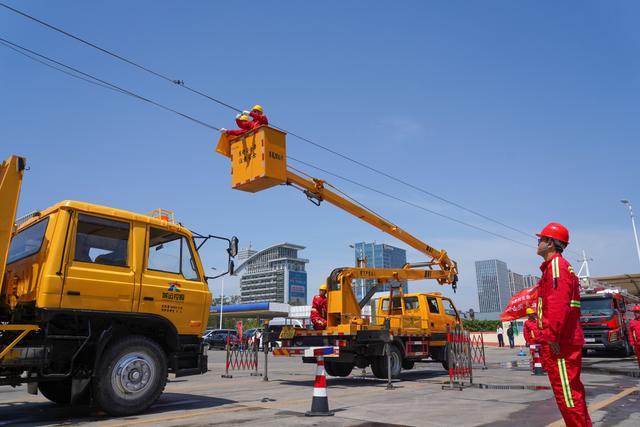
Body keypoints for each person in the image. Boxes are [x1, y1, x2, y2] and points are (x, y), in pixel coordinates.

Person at [536, 222, 591, 427]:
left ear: (551, 243)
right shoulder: (555, 268)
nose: (538, 242)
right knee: (572, 393)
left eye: (541, 239)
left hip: (560, 343)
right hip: (563, 340)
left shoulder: (557, 267)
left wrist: (551, 337)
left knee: (568, 396)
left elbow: (558, 305)